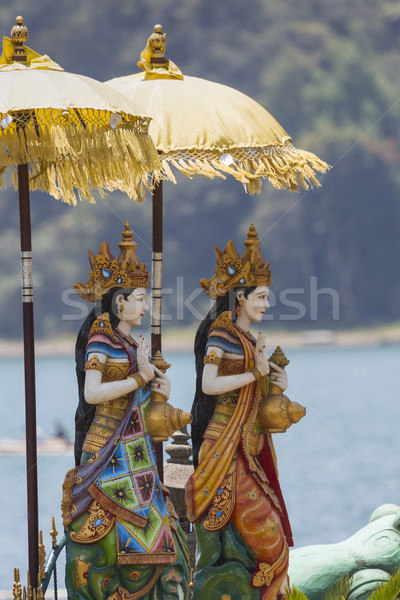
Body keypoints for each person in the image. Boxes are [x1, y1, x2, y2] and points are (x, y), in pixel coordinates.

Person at [62, 221, 190, 600]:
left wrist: (158, 391)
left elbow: (142, 397)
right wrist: (139, 379)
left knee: (163, 532)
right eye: (139, 297)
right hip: (107, 448)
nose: (145, 305)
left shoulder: (131, 341)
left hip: (134, 448)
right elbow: (93, 393)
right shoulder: (102, 337)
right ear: (120, 302)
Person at [186, 225, 294, 600]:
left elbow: (254, 393)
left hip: (246, 447)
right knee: (270, 540)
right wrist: (255, 372)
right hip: (223, 447)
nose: (266, 304)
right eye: (261, 297)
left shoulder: (248, 338)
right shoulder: (222, 334)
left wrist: (273, 382)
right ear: (241, 297)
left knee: (275, 531)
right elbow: (208, 384)